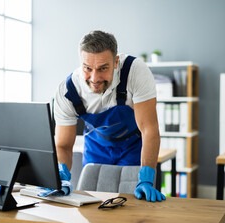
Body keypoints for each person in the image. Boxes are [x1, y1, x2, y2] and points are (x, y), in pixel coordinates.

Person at [54, 30, 166, 202]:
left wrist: (146, 178)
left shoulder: (134, 72)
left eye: (103, 68)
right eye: (87, 68)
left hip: (133, 148)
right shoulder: (68, 91)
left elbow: (149, 129)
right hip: (96, 149)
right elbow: (63, 145)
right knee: (93, 209)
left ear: (115, 62)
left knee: (132, 210)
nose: (94, 78)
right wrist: (61, 175)